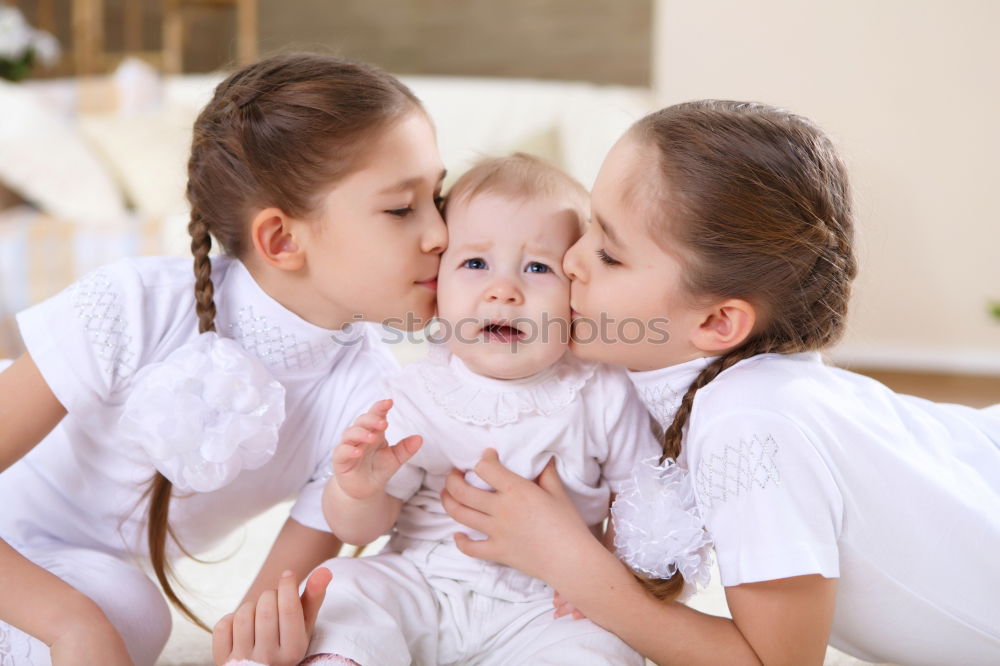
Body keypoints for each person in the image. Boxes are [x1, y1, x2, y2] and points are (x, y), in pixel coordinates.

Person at [439, 101, 1000, 666]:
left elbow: (777, 662)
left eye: (608, 253)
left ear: (716, 323)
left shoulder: (749, 425)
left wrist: (567, 561)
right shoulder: (705, 378)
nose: (571, 261)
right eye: (587, 227)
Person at [0, 52, 448, 666]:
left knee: (132, 613)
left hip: (90, 573)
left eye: (439, 197)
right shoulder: (133, 306)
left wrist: (259, 648)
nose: (442, 235)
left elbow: (256, 620)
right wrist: (73, 626)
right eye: (402, 208)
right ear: (282, 239)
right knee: (104, 620)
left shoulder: (371, 405)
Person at [299, 154, 658, 665]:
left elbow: (640, 501)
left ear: (577, 291)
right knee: (344, 589)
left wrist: (610, 583)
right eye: (475, 264)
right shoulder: (413, 392)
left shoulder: (603, 391)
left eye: (537, 267)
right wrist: (358, 489)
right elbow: (358, 532)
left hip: (549, 605)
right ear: (438, 286)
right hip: (424, 585)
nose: (503, 289)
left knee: (606, 644)